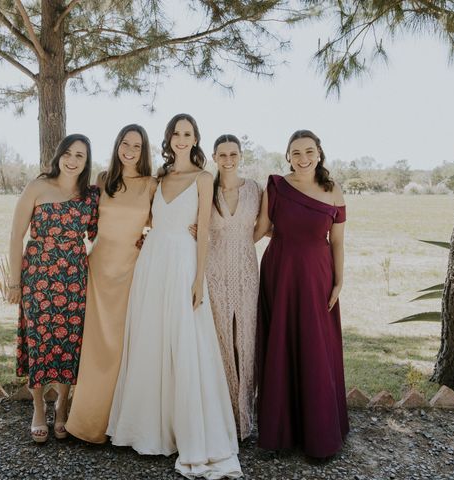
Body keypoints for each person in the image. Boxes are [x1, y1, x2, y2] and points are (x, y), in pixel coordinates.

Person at [107, 114, 242, 479]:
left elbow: (204, 233)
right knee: (151, 339)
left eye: (188, 133)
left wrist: (199, 278)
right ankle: (149, 428)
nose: (181, 139)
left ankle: (189, 431)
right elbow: (145, 218)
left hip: (184, 264)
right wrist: (140, 236)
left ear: (196, 139)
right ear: (168, 139)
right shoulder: (158, 179)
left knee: (184, 342)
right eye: (176, 133)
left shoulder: (203, 178)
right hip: (152, 265)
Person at [255, 129, 348, 458]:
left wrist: (339, 280)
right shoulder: (276, 186)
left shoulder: (333, 190)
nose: (303, 158)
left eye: (309, 151)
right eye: (296, 153)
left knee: (315, 346)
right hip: (279, 272)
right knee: (281, 344)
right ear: (288, 157)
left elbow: (336, 241)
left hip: (317, 275)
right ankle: (280, 433)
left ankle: (320, 434)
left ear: (319, 154)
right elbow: (261, 230)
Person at [65, 124, 157, 443]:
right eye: (125, 144)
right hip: (98, 268)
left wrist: (151, 239)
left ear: (144, 151)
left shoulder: (151, 184)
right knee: (95, 347)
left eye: (137, 146)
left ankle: (118, 423)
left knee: (121, 347)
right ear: (117, 145)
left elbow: (162, 224)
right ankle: (87, 423)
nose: (130, 150)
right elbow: (85, 218)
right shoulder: (104, 180)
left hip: (131, 271)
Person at [8, 134, 99, 443]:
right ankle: (37, 408)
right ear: (59, 154)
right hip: (37, 276)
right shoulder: (38, 186)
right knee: (39, 340)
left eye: (81, 156)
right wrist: (14, 280)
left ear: (86, 163)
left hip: (74, 277)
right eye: (69, 153)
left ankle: (62, 408)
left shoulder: (90, 195)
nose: (73, 160)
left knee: (68, 343)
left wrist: (146, 234)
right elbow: (15, 235)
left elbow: (106, 231)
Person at [194, 134, 262, 440]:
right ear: (214, 157)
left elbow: (261, 227)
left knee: (246, 339)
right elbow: (195, 225)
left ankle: (246, 415)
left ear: (240, 155)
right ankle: (224, 416)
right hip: (215, 272)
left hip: (247, 270)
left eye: (233, 153)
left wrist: (241, 245)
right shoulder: (207, 191)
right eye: (222, 154)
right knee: (221, 339)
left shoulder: (255, 190)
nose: (229, 159)